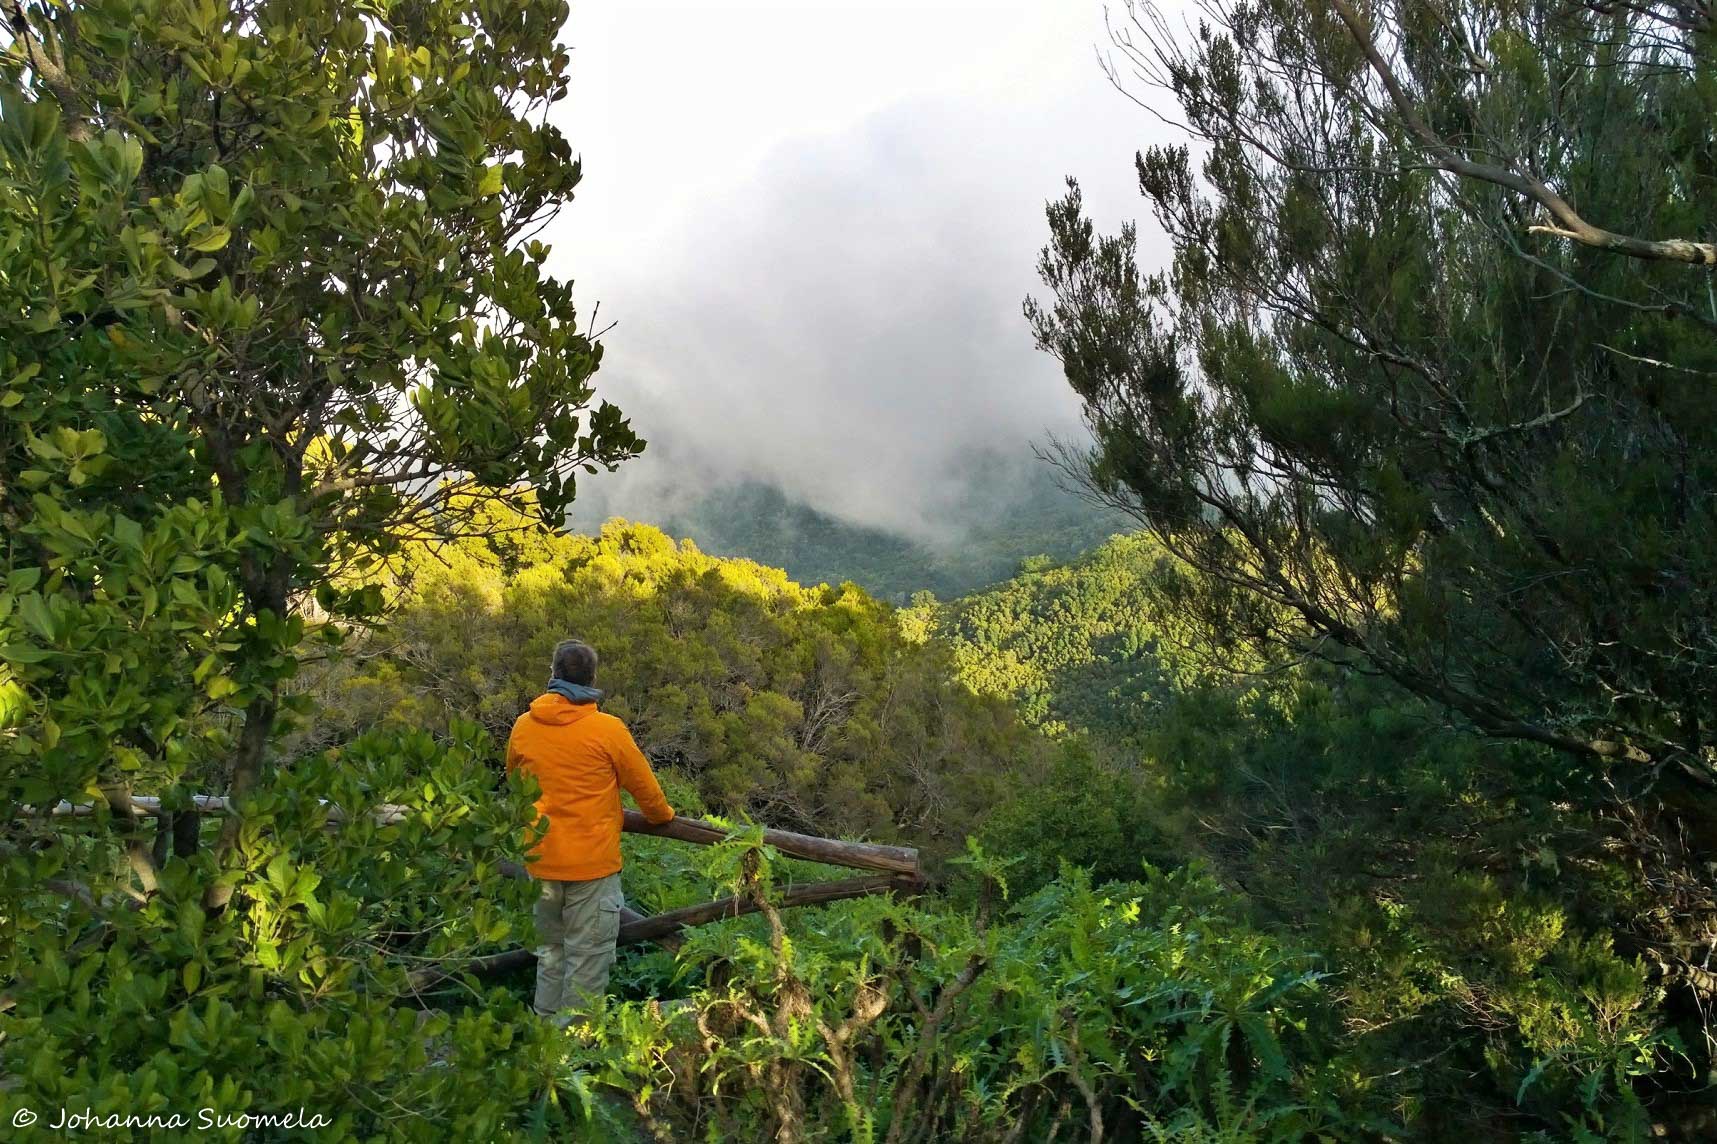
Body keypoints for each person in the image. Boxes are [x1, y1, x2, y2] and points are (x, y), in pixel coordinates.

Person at [504, 639, 675, 1024]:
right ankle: (573, 1059)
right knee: (587, 966)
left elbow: (516, 782)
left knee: (549, 955)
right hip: (591, 868)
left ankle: (544, 1046)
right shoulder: (607, 730)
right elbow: (649, 794)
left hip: (539, 861)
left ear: (553, 674)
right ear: (593, 679)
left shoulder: (524, 726)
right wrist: (662, 816)